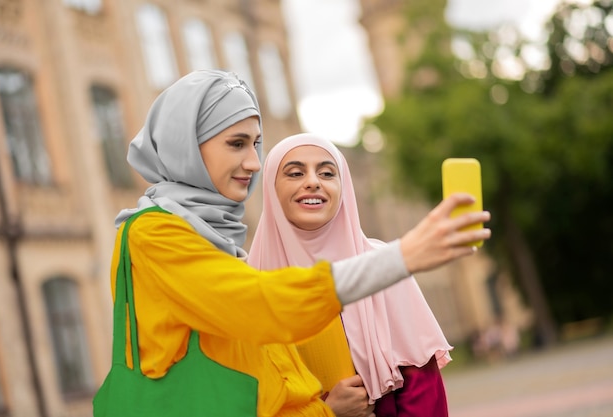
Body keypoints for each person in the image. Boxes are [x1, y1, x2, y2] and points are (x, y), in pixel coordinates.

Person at [93, 69, 491, 417]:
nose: (253, 162)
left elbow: (267, 381)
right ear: (186, 143)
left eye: (255, 144)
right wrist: (401, 257)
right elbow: (262, 307)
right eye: (236, 143)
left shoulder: (217, 242)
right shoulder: (156, 236)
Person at [247, 134, 462, 416]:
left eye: (327, 173)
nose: (313, 181)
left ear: (343, 187)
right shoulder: (251, 281)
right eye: (295, 173)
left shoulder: (382, 265)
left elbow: (423, 388)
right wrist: (326, 411)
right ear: (271, 189)